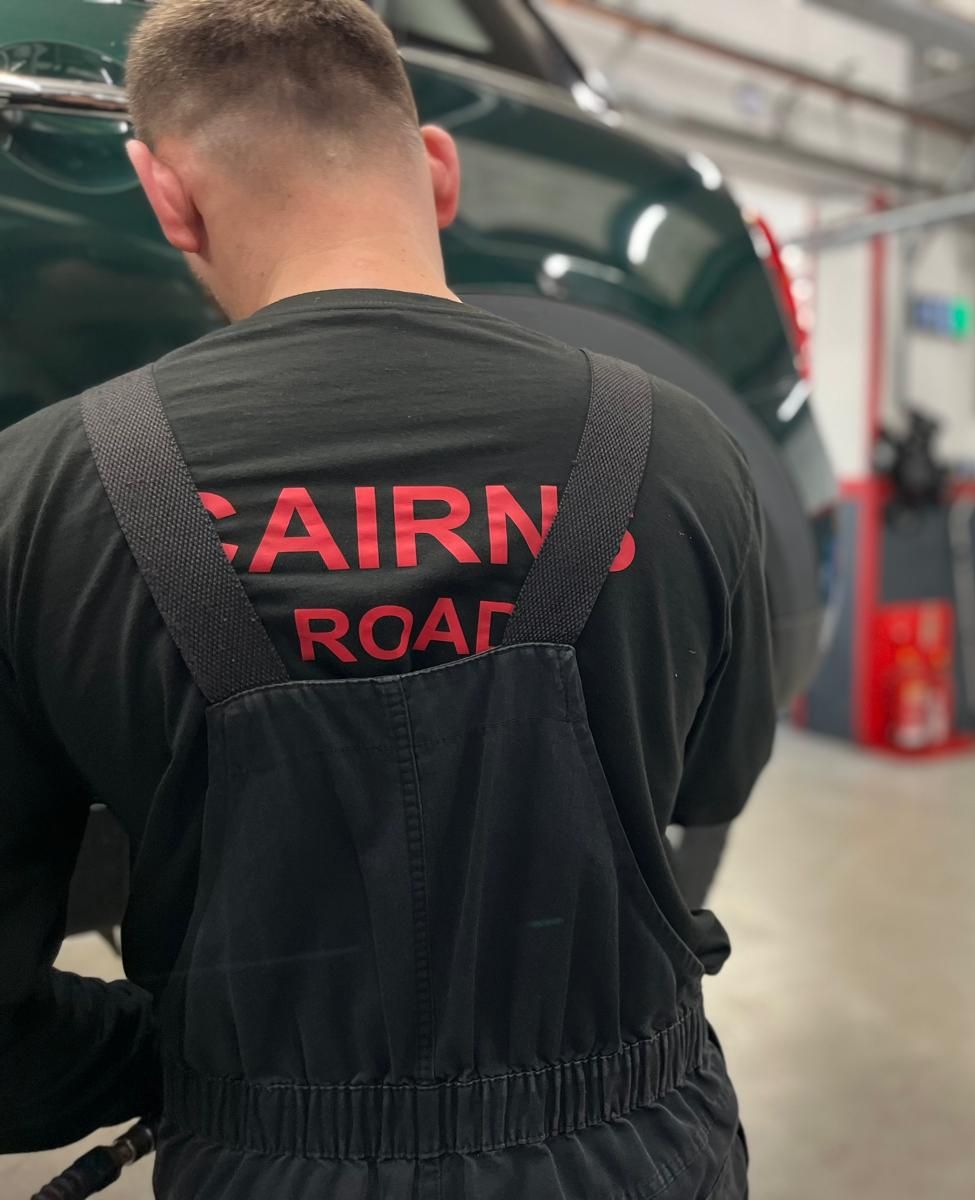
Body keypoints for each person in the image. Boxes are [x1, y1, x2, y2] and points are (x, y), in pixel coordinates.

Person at [0, 1, 775, 1196]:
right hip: (641, 1153)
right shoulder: (681, 454)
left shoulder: (40, 496)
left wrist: (184, 1064)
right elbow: (708, 784)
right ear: (439, 170)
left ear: (167, 197)